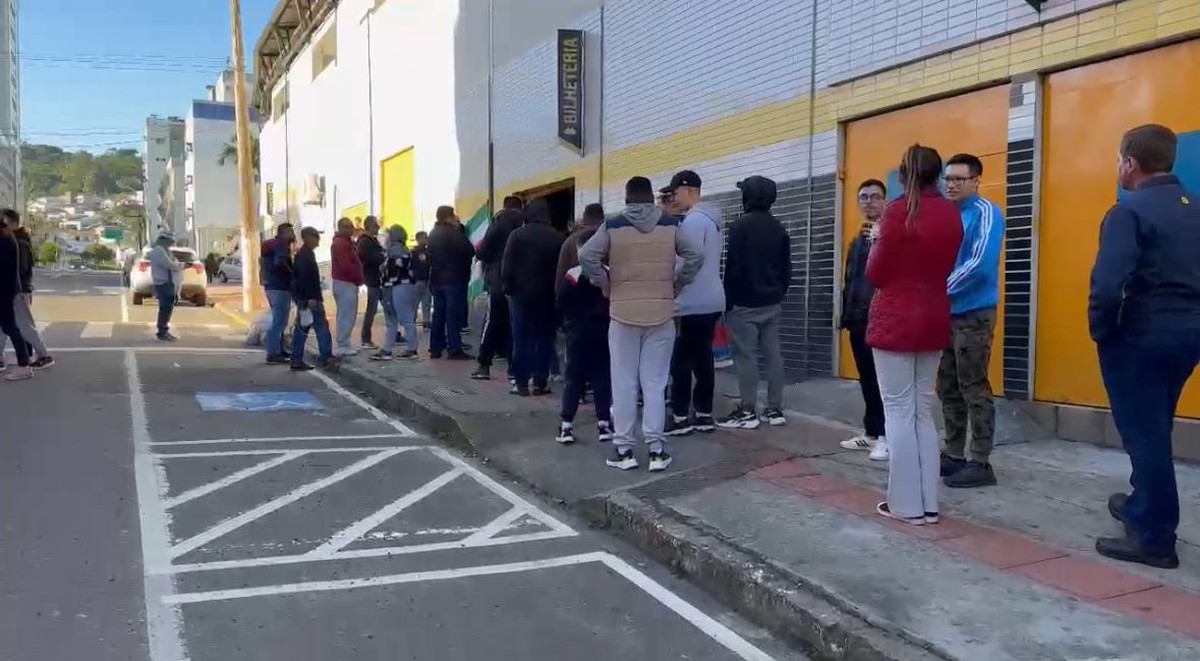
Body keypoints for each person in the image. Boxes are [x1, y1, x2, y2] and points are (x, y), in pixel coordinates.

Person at [1091, 124, 1200, 569]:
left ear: (1130, 163)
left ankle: (1154, 537)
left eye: (1119, 160)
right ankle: (1140, 504)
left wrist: (1102, 331)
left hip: (1139, 338)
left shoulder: (1128, 211)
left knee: (1146, 434)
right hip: (1188, 337)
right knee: (1156, 426)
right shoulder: (1195, 209)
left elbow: (1107, 284)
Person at [866, 144, 963, 526]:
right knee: (923, 411)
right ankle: (928, 504)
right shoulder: (951, 214)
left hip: (895, 317)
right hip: (935, 314)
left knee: (898, 413)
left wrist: (875, 242)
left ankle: (905, 505)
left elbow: (877, 274)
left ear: (905, 176)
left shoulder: (896, 213)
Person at [579, 176, 702, 472]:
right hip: (661, 314)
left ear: (627, 197)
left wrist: (604, 283)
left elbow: (586, 255)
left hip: (622, 315)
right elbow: (695, 256)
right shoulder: (672, 224)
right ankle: (657, 450)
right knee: (656, 383)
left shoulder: (614, 225)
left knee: (623, 382)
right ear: (650, 197)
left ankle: (623, 450)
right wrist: (678, 283)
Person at [938, 153, 1006, 489]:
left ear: (976, 180)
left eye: (958, 179)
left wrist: (937, 292)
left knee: (973, 386)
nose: (950, 184)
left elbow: (979, 264)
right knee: (947, 386)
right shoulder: (943, 214)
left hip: (973, 314)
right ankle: (953, 454)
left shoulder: (986, 213)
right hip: (944, 315)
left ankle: (980, 460)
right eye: (947, 178)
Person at [719, 176, 792, 430]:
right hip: (772, 303)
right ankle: (775, 409)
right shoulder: (779, 227)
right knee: (774, 356)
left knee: (746, 357)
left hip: (744, 304)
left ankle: (748, 411)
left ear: (747, 197)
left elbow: (733, 268)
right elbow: (786, 269)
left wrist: (728, 301)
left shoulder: (739, 227)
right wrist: (778, 293)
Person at [662, 170, 725, 436]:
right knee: (703, 358)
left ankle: (679, 417)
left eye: (674, 193)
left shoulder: (692, 223)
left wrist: (675, 284)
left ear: (688, 191)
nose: (672, 199)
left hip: (691, 301)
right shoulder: (713, 220)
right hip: (712, 299)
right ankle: (704, 414)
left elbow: (688, 260)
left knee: (681, 360)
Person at [838, 180, 888, 459]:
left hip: (878, 319)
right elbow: (852, 280)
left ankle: (886, 436)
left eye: (874, 197)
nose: (868, 202)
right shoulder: (859, 238)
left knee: (882, 381)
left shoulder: (888, 235)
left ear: (884, 201)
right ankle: (871, 433)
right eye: (863, 197)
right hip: (857, 319)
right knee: (867, 379)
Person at [502, 198, 565, 396]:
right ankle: (540, 382)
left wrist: (508, 288)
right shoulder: (557, 237)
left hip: (520, 295)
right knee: (544, 339)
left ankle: (520, 383)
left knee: (521, 338)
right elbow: (561, 270)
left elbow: (507, 265)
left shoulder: (517, 235)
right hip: (547, 296)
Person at [556, 226, 613, 444]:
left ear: (580, 250)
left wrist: (563, 324)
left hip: (577, 333)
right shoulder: (608, 273)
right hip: (603, 332)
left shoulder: (572, 275)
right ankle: (604, 424)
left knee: (573, 378)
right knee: (602, 377)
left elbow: (561, 303)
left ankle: (566, 425)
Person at [472, 196, 524, 380]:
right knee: (515, 325)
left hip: (497, 279)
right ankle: (514, 369)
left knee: (492, 322)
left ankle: (483, 364)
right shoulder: (524, 224)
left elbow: (483, 251)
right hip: (519, 282)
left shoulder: (499, 224)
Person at [0, 209, 52, 369]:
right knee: (5, 325)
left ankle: (43, 355)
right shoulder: (15, 238)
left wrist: (20, 290)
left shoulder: (17, 241)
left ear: (14, 223)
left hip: (17, 291)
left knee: (22, 326)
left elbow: (19, 269)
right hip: (14, 290)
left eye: (4, 222)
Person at [427, 205, 475, 359]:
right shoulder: (452, 233)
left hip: (437, 278)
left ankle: (435, 347)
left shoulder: (433, 233)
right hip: (454, 279)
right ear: (448, 217)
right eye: (453, 215)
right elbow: (469, 250)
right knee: (453, 316)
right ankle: (454, 348)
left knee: (439, 315)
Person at [373, 225, 422, 361]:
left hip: (399, 285)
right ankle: (389, 349)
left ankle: (409, 349)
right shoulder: (401, 250)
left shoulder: (395, 250)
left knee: (401, 318)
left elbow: (394, 267)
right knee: (394, 319)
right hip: (399, 285)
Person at [291, 226, 335, 371]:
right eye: (316, 237)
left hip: (305, 298)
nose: (318, 240)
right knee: (320, 327)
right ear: (308, 237)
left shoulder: (304, 254)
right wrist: (309, 298)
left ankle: (296, 359)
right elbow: (304, 279)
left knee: (302, 329)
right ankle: (325, 356)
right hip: (310, 298)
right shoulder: (305, 256)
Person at [0, 214, 31, 380]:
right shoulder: (6, 236)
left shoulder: (5, 239)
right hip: (6, 288)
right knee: (8, 327)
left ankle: (24, 364)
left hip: (4, 290)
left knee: (10, 327)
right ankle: (23, 362)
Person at [261, 223, 296, 364]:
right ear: (283, 232)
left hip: (270, 286)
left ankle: (278, 349)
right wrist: (293, 274)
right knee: (279, 321)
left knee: (279, 320)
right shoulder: (282, 244)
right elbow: (279, 262)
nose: (293, 234)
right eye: (290, 231)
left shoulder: (272, 245)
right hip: (280, 287)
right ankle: (274, 353)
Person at [330, 217, 365, 356]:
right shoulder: (341, 244)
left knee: (347, 314)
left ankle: (345, 343)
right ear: (341, 227)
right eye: (347, 227)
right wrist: (357, 277)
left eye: (351, 227)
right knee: (346, 314)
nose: (351, 229)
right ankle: (343, 344)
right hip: (345, 282)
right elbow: (346, 265)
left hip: (346, 282)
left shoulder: (346, 243)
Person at [357, 216, 387, 350]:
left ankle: (395, 333)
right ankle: (365, 338)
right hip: (372, 279)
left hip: (379, 279)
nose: (378, 228)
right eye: (376, 225)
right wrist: (382, 257)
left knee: (388, 307)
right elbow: (370, 258)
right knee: (372, 309)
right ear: (369, 226)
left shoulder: (373, 241)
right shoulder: (364, 242)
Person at [148, 230, 182, 342]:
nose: (171, 243)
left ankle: (164, 330)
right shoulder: (158, 251)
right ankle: (162, 331)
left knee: (168, 307)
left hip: (169, 282)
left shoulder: (166, 251)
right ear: (163, 240)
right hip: (163, 283)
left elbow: (175, 263)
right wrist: (178, 265)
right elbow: (170, 264)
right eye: (169, 241)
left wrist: (177, 265)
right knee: (165, 307)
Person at [412, 231, 432, 327]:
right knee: (415, 302)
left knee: (427, 301)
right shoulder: (414, 252)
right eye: (424, 237)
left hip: (427, 279)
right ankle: (412, 319)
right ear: (418, 239)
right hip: (418, 279)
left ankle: (427, 321)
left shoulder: (428, 251)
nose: (426, 239)